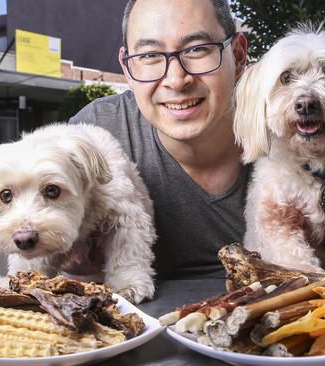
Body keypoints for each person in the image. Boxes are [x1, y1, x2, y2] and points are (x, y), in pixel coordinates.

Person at [70, 0, 249, 279]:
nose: (176, 80)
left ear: (237, 55)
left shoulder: (294, 128)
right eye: (149, 56)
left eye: (198, 49)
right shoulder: (95, 135)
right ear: (127, 69)